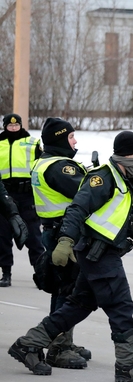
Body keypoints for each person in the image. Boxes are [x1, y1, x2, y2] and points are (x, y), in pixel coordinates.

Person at [8, 131, 133, 381]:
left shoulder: (132, 179)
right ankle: (129, 365)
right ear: (126, 154)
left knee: (78, 304)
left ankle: (28, 343)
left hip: (108, 251)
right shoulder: (103, 178)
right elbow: (77, 208)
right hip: (97, 253)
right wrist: (65, 240)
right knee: (120, 306)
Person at [30, 118, 90, 369]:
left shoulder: (45, 162)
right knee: (67, 291)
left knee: (65, 288)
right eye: (71, 137)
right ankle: (58, 346)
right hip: (64, 234)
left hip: (56, 231)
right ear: (60, 138)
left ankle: (64, 338)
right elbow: (87, 194)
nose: (75, 141)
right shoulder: (60, 167)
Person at [0, 113, 44, 286]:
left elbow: (41, 166)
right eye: (10, 126)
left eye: (16, 125)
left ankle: (41, 273)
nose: (13, 128)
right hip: (3, 195)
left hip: (26, 195)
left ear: (20, 125)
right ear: (5, 126)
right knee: (3, 236)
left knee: (33, 236)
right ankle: (6, 273)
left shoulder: (32, 143)